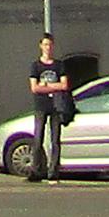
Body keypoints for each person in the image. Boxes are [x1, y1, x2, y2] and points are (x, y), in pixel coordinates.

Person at [27, 30, 76, 183]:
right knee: (38, 138)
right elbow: (35, 88)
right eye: (45, 44)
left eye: (50, 45)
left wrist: (47, 85)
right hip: (41, 105)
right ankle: (36, 170)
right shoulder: (35, 66)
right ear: (41, 46)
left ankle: (53, 171)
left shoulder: (59, 65)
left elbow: (64, 85)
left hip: (57, 105)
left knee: (55, 139)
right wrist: (54, 86)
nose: (48, 47)